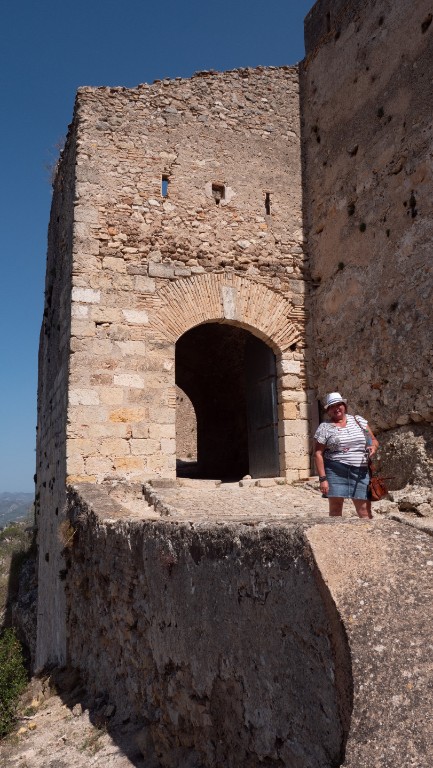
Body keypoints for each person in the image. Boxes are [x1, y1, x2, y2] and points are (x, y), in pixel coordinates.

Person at [314, 392, 379, 519]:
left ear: (344, 406)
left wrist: (373, 447)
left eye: (339, 405)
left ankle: (367, 532)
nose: (336, 408)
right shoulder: (324, 428)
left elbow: (373, 440)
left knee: (365, 511)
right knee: (335, 509)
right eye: (332, 406)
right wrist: (323, 479)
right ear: (328, 410)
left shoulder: (358, 421)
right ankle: (336, 532)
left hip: (360, 471)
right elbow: (318, 453)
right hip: (335, 471)